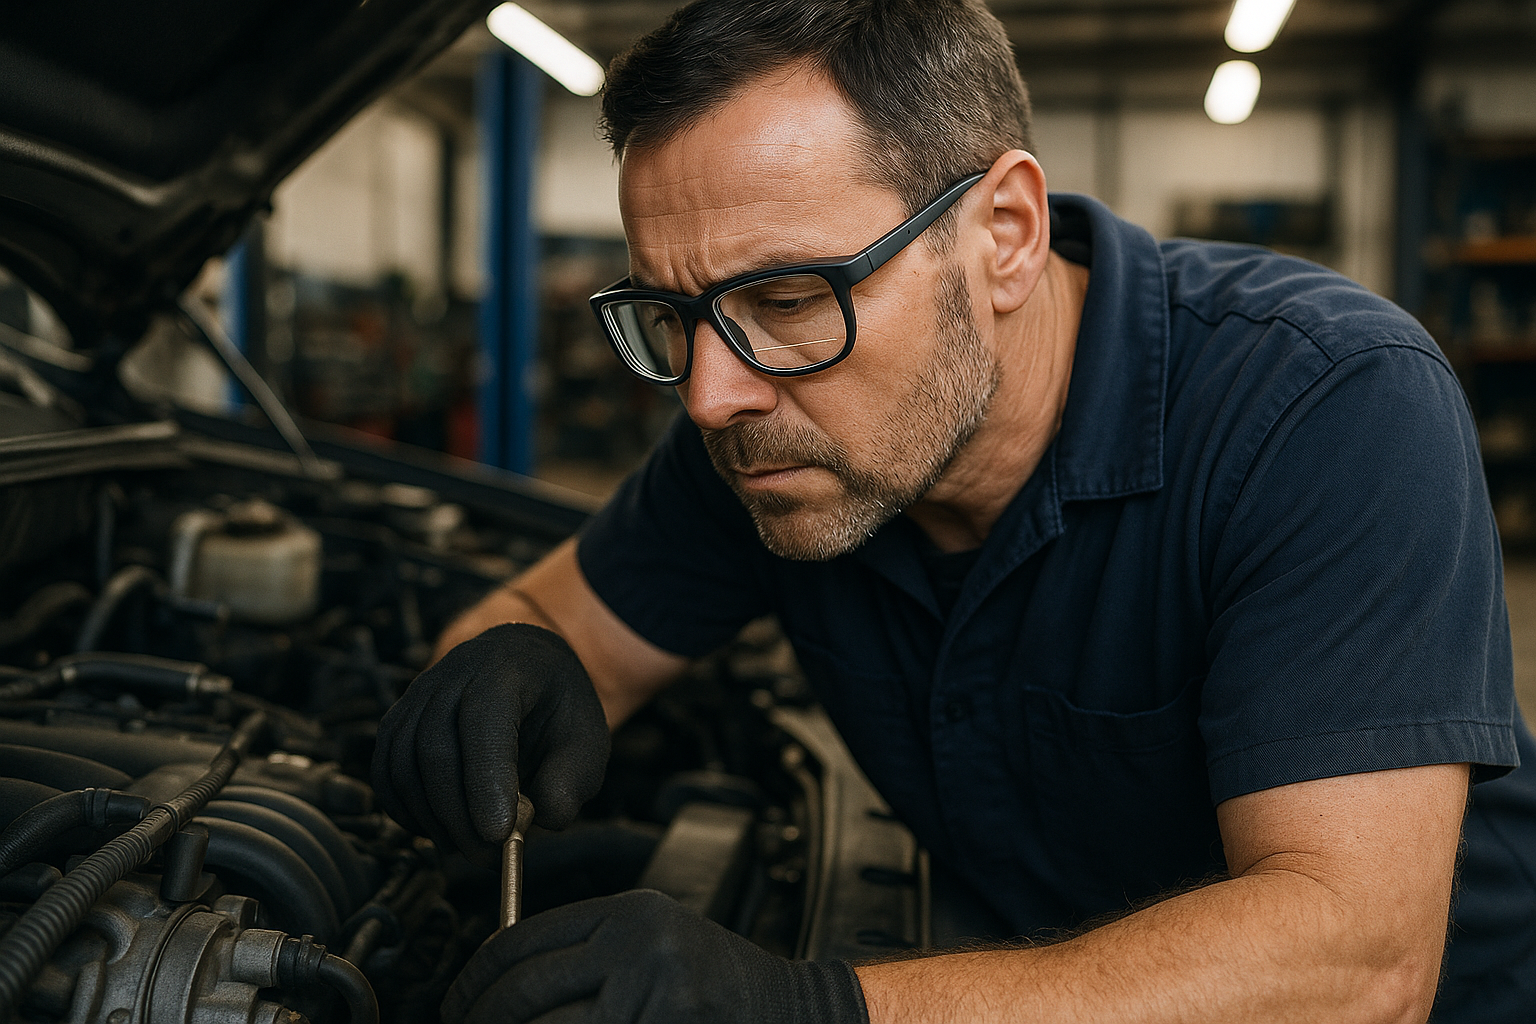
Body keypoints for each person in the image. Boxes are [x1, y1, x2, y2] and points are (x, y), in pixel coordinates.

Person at [372, 1, 1536, 1021]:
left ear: (1006, 237)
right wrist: (508, 659)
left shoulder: (1321, 405)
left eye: (787, 295)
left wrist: (809, 1006)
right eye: (672, 315)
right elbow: (542, 625)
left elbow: (1355, 968)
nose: (716, 393)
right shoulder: (772, 435)